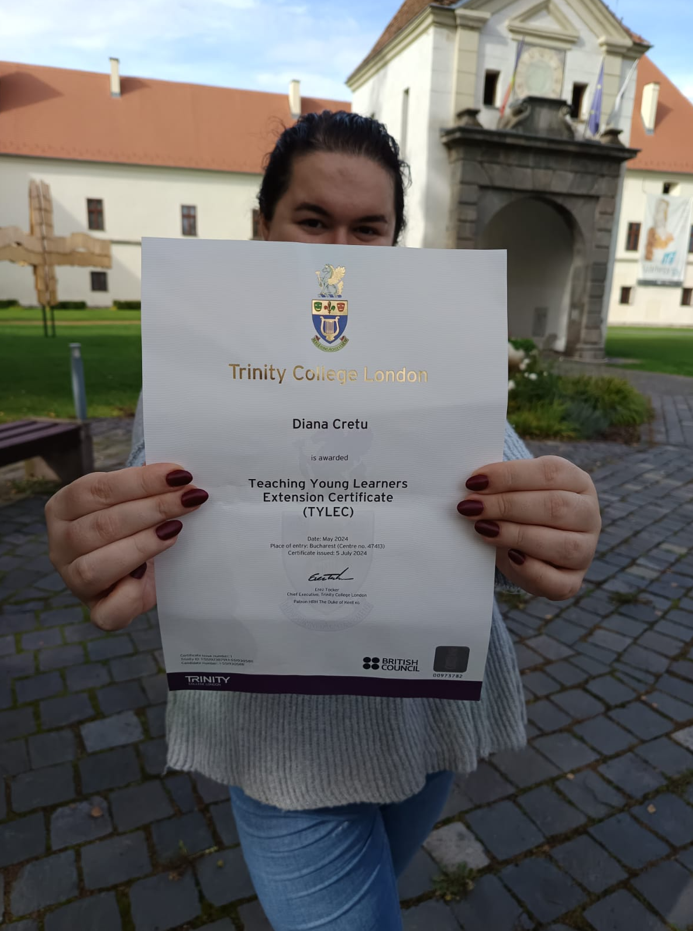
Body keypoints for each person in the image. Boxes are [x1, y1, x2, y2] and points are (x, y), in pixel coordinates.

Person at [45, 112, 601, 931]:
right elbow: (160, 534)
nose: (339, 249)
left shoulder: (433, 353)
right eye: (312, 221)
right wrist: (105, 541)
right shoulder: (196, 367)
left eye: (368, 228)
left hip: (422, 719)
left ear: (394, 240)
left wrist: (557, 515)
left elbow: (514, 493)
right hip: (278, 748)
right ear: (261, 227)